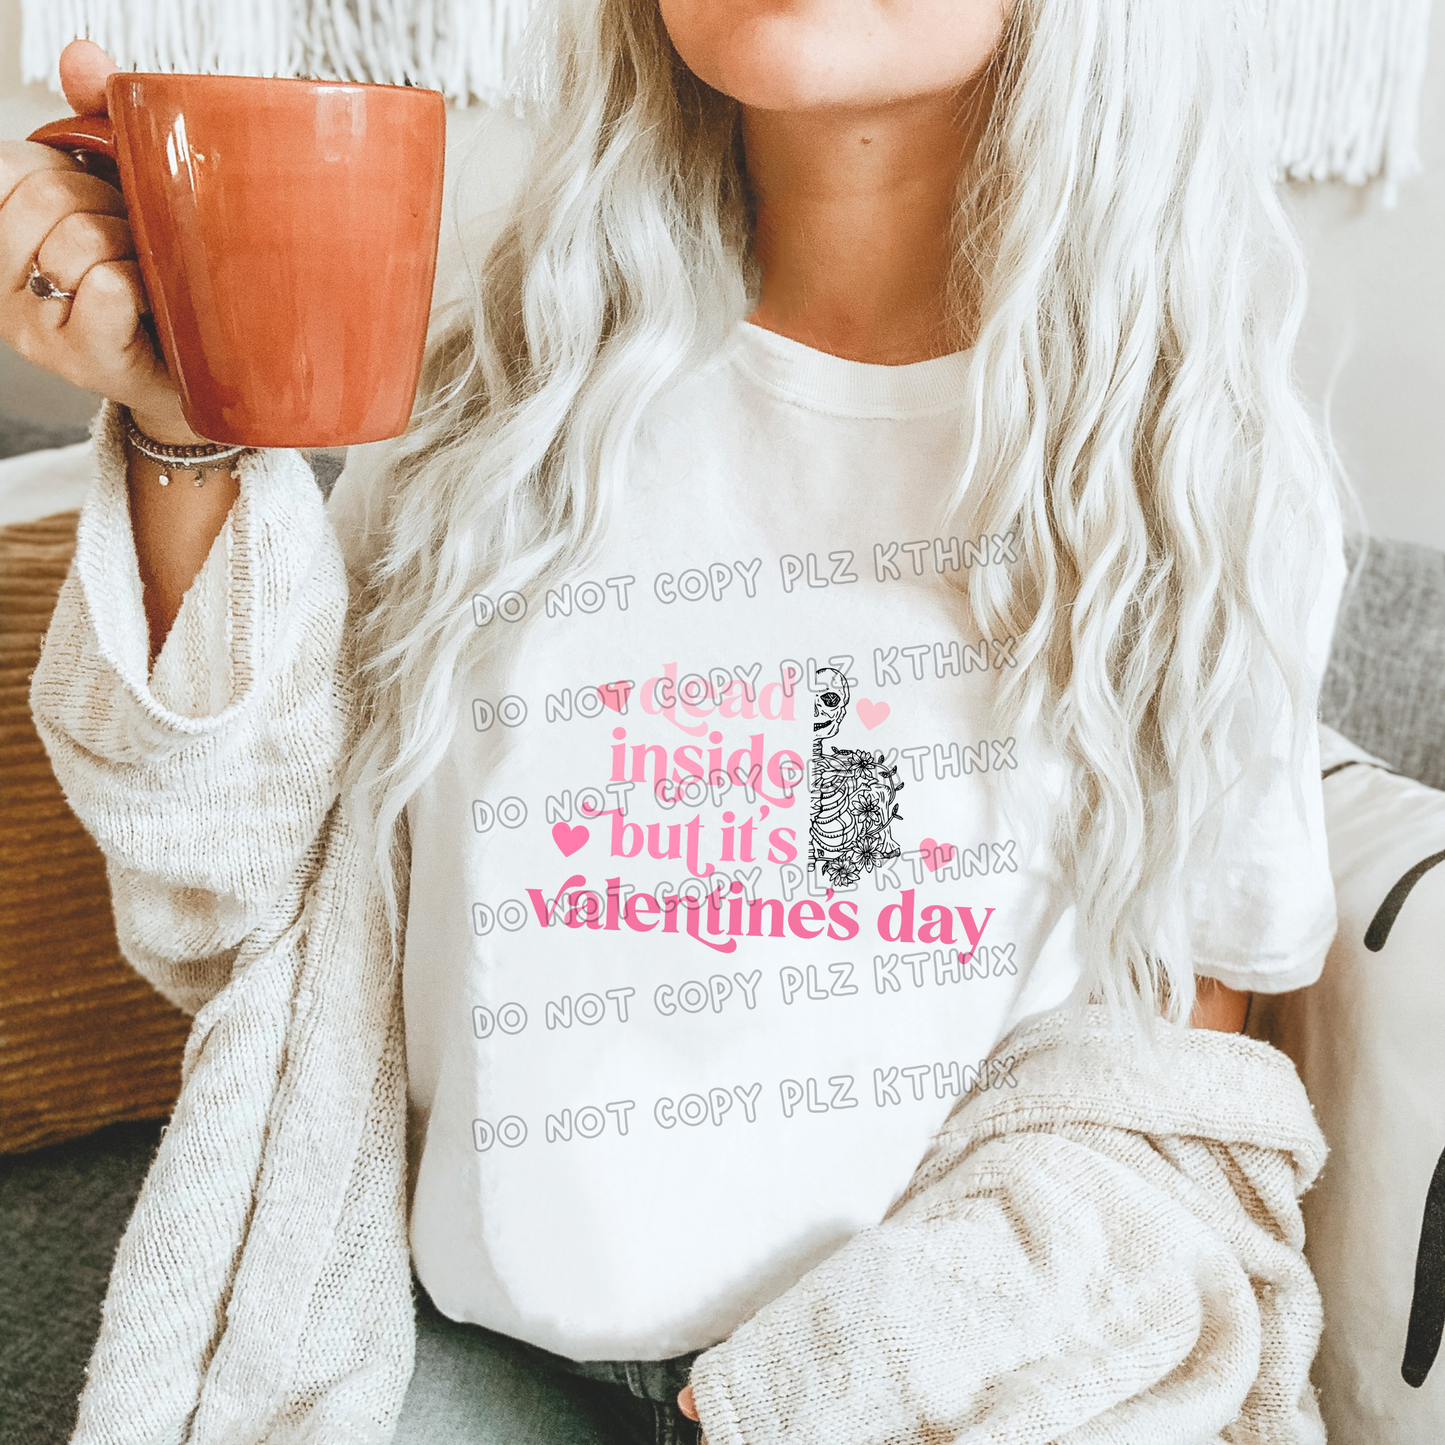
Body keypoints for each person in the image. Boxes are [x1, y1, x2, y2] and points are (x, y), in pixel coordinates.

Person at [2, 2, 1351, 1441]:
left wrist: (849, 1385)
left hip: (925, 1403)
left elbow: (1174, 1076)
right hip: (434, 1363)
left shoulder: (1191, 487)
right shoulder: (497, 403)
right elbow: (248, 914)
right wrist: (186, 431)